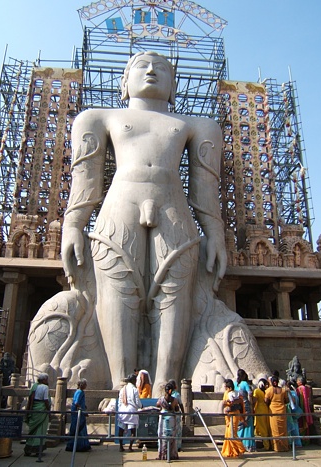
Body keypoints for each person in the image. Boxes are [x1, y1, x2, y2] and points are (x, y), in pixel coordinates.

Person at [61, 50, 227, 392]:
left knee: (174, 294)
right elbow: (85, 180)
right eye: (141, 65)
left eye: (162, 68)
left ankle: (168, 389)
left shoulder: (196, 126)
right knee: (117, 290)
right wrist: (73, 225)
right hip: (120, 207)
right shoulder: (96, 118)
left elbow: (206, 189)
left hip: (173, 211)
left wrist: (215, 233)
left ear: (173, 86)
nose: (152, 70)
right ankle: (121, 388)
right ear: (124, 83)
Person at [24, 373, 51, 457]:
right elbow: (46, 400)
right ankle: (37, 449)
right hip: (42, 408)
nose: (47, 381)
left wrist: (29, 409)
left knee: (32, 430)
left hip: (34, 408)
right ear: (43, 380)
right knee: (41, 429)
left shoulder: (34, 386)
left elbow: (30, 398)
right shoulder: (45, 387)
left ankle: (28, 448)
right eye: (46, 379)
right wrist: (48, 409)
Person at [221, 379, 246, 458]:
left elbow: (241, 401)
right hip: (228, 415)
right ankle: (232, 451)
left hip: (235, 414)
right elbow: (224, 403)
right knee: (228, 434)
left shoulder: (236, 393)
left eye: (226, 387)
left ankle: (241, 448)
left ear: (230, 387)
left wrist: (234, 402)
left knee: (232, 434)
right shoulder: (226, 393)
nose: (225, 388)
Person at [117, 374, 142, 452]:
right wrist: (141, 406)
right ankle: (130, 447)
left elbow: (120, 401)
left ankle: (121, 446)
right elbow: (137, 402)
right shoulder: (134, 389)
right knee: (133, 430)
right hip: (131, 411)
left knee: (121, 429)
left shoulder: (123, 389)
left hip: (123, 410)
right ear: (133, 381)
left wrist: (120, 409)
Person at [264, 375, 289, 452]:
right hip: (282, 411)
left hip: (273, 411)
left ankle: (277, 447)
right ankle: (284, 447)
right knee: (283, 429)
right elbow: (287, 401)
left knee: (275, 430)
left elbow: (266, 401)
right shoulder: (283, 390)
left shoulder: (269, 390)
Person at [66, 378, 91, 452]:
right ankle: (79, 445)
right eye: (85, 384)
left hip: (75, 411)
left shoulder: (78, 391)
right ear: (82, 385)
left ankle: (76, 445)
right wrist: (82, 410)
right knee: (79, 428)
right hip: (78, 413)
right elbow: (76, 403)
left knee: (76, 427)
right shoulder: (80, 392)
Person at [234, 369, 256, 452]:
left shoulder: (235, 383)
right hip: (246, 406)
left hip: (238, 406)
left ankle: (239, 444)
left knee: (240, 424)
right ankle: (248, 445)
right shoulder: (244, 383)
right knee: (248, 425)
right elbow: (250, 394)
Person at [156, 382, 179, 460]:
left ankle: (162, 454)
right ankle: (171, 454)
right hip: (172, 419)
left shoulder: (161, 399)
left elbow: (157, 405)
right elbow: (177, 409)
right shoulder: (175, 400)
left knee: (162, 436)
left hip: (163, 419)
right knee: (172, 437)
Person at [253, 378, 272, 450]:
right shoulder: (266, 391)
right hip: (266, 409)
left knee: (263, 428)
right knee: (265, 427)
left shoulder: (257, 391)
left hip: (259, 410)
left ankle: (266, 446)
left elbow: (254, 400)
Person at [168, 379, 185, 452]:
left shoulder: (168, 394)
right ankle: (178, 446)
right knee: (178, 431)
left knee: (171, 430)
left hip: (169, 414)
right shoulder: (176, 394)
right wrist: (183, 414)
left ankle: (171, 446)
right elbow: (181, 404)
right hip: (176, 414)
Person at [296, 375, 313, 445]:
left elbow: (301, 399)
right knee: (306, 426)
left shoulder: (300, 388)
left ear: (300, 381)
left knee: (301, 425)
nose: (297, 382)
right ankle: (306, 441)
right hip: (306, 408)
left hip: (301, 408)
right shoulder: (307, 388)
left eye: (297, 380)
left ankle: (303, 441)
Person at [286, 381, 302, 448]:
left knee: (292, 429)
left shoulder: (292, 393)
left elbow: (293, 403)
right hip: (295, 412)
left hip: (292, 412)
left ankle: (294, 443)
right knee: (295, 428)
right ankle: (297, 443)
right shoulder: (295, 393)